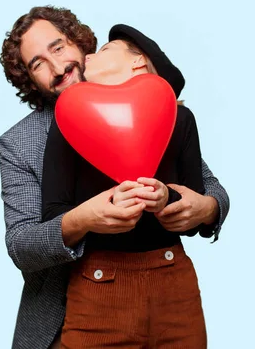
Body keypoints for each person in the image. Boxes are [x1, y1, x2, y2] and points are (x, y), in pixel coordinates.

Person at [0, 6, 230, 349]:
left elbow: (207, 187)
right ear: (30, 80)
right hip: (65, 314)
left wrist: (208, 208)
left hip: (166, 291)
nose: (56, 66)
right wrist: (84, 219)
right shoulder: (19, 143)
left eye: (58, 48)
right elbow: (21, 244)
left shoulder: (148, 107)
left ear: (79, 44)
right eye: (37, 64)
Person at [42, 24, 211, 348]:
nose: (88, 56)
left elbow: (195, 212)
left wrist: (164, 198)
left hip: (175, 284)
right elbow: (53, 215)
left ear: (137, 62)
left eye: (105, 50)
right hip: (97, 287)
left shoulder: (181, 119)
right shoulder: (68, 118)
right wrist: (91, 216)